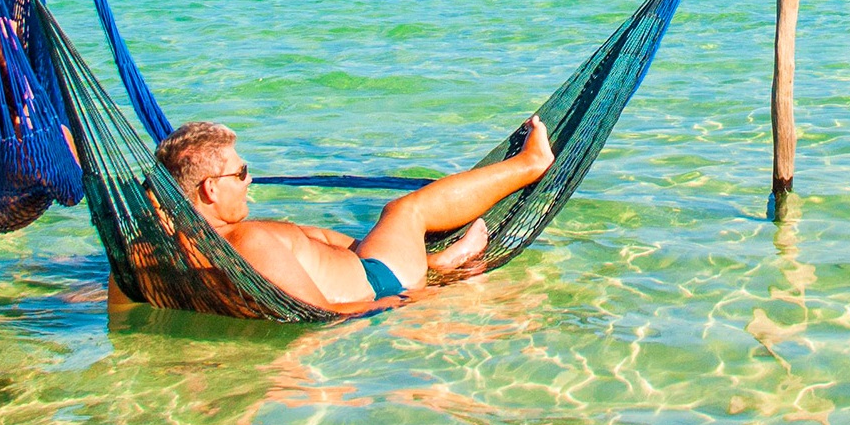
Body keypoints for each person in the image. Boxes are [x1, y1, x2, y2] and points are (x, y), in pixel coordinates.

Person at [153, 117, 556, 309]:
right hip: (381, 282)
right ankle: (531, 163)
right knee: (404, 210)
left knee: (317, 238)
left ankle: (439, 259)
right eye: (241, 172)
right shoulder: (246, 241)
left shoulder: (155, 252)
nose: (250, 180)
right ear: (210, 188)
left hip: (355, 263)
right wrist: (417, 297)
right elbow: (319, 316)